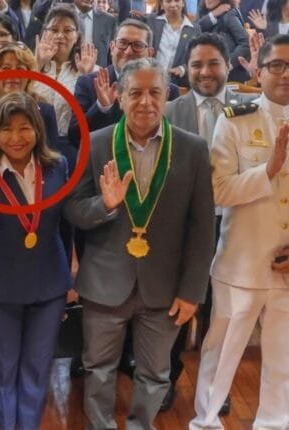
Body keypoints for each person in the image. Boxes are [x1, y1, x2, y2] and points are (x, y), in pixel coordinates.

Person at [64, 57, 215, 430]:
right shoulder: (96, 144)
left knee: (155, 374)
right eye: (135, 93)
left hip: (165, 287)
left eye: (154, 92)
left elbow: (202, 229)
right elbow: (73, 211)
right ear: (119, 97)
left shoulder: (193, 149)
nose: (145, 102)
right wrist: (105, 205)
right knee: (98, 369)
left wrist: (192, 292)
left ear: (167, 97)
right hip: (105, 282)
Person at [190, 33, 289, 430]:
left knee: (283, 358)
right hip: (242, 263)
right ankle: (206, 422)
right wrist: (268, 170)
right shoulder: (235, 120)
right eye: (277, 65)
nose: (285, 74)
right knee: (221, 354)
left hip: (287, 269)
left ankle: (275, 423)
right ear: (258, 72)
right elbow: (218, 190)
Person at [0, 91, 70, 430]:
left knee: (37, 369)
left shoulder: (57, 167)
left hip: (49, 285)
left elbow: (66, 224)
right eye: (7, 129)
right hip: (0, 288)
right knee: (5, 368)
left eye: (25, 128)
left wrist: (71, 274)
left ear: (38, 130)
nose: (16, 137)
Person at [163, 31, 251, 413]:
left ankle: (217, 385)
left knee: (222, 310)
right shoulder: (170, 111)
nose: (204, 71)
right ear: (186, 69)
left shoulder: (249, 109)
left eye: (213, 63)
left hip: (234, 224)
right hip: (182, 228)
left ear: (228, 66)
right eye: (196, 64)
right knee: (177, 307)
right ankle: (166, 379)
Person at [67, 19, 181, 145]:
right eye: (122, 43)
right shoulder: (89, 83)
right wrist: (101, 107)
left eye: (137, 45)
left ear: (150, 53)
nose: (128, 51)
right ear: (112, 47)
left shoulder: (168, 91)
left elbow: (175, 140)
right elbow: (75, 136)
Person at [33, 6, 99, 138]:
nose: (60, 36)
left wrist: (85, 77)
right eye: (54, 30)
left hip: (71, 141)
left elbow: (93, 114)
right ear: (45, 33)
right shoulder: (29, 66)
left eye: (67, 30)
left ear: (77, 36)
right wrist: (38, 64)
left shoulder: (91, 69)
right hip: (34, 139)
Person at [135, 0, 199, 87]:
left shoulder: (194, 29)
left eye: (177, 1)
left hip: (176, 83)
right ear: (162, 4)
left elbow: (197, 57)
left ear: (183, 3)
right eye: (168, 1)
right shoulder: (151, 21)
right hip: (148, 78)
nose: (173, 4)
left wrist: (182, 69)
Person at [196, 0, 251, 81]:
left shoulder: (229, 15)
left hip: (230, 75)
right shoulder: (202, 11)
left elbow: (245, 44)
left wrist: (227, 64)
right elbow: (194, 30)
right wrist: (212, 15)